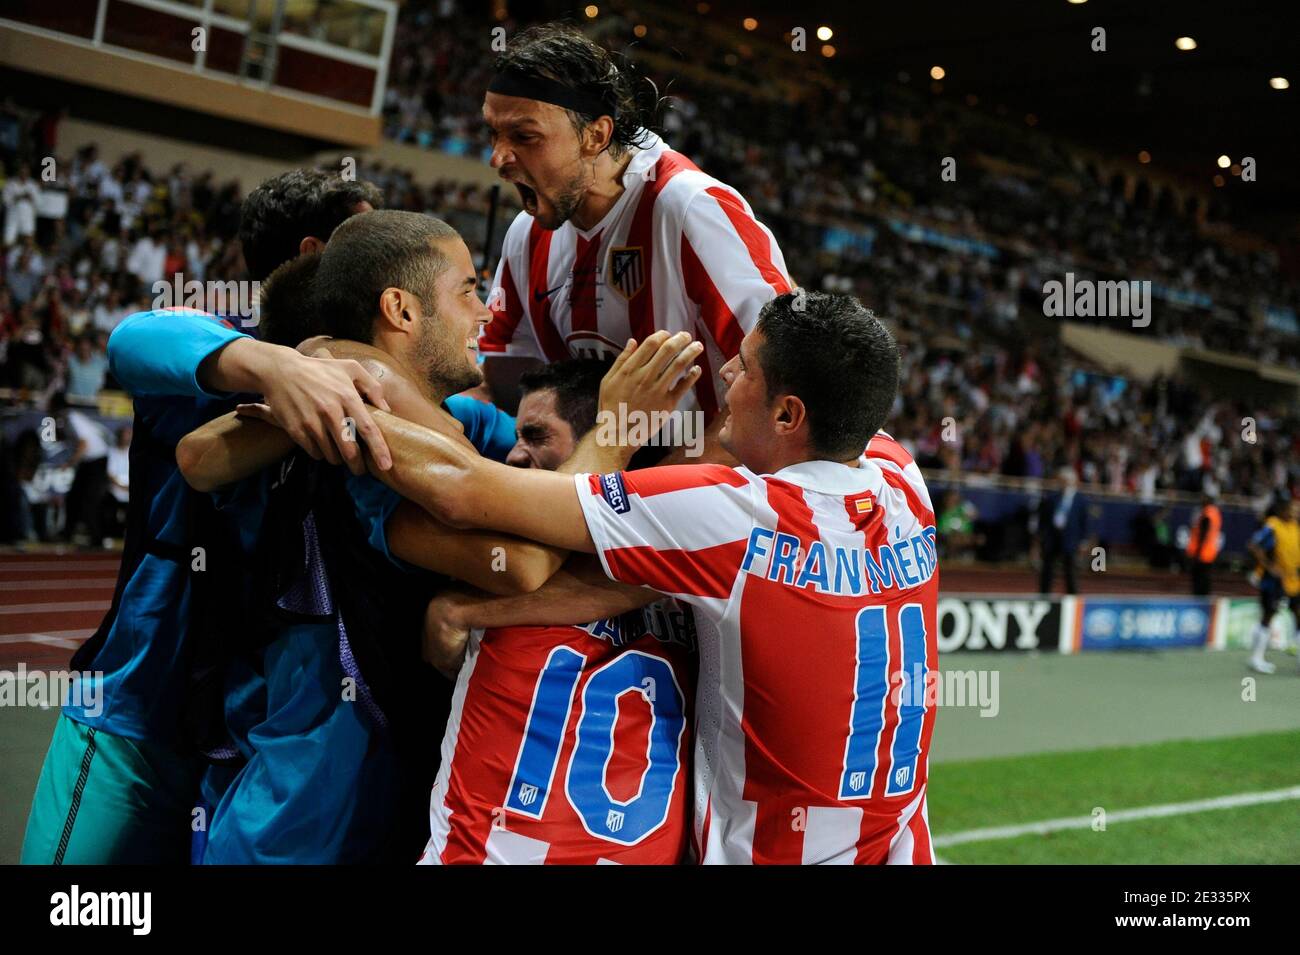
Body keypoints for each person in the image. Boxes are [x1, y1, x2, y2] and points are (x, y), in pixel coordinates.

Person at [327, 291, 939, 865]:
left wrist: (328, 400)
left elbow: (466, 491)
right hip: (900, 844)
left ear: (787, 412)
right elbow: (842, 389)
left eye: (745, 367)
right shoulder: (902, 478)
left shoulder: (732, 514)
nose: (726, 375)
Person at [175, 210, 699, 863]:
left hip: (392, 796)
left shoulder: (467, 423)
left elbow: (530, 472)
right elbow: (526, 561)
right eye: (469, 290)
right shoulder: (351, 451)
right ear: (400, 309)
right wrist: (617, 433)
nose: (485, 312)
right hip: (301, 811)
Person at [20, 169, 399, 865]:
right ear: (315, 253)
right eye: (367, 245)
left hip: (241, 737)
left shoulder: (369, 379)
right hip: (137, 714)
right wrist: (273, 367)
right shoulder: (214, 353)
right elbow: (133, 337)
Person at [413, 360, 696, 864]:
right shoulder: (698, 563)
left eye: (537, 435)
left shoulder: (489, 569)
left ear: (601, 445)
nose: (515, 454)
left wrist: (461, 609)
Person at [478, 22, 793, 462]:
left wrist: (646, 497)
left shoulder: (690, 208)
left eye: (524, 137)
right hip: (600, 471)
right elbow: (502, 366)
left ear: (596, 135)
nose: (497, 158)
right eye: (493, 133)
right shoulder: (526, 233)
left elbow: (785, 379)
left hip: (701, 482)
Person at [1245, 498, 1300, 675]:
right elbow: (1254, 546)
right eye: (1291, 508)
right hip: (1273, 581)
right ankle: (1256, 658)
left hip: (1293, 579)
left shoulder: (1294, 527)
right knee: (1268, 615)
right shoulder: (1273, 526)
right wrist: (1269, 566)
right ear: (1282, 510)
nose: (1294, 512)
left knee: (1298, 614)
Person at [1036, 467, 1088, 595]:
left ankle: (1073, 596)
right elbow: (1044, 518)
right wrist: (1041, 535)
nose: (1063, 484)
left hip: (1070, 538)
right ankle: (1044, 594)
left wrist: (1083, 541)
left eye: (1065, 481)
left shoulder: (1081, 500)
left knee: (1070, 569)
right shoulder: (1052, 498)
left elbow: (1085, 522)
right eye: (1061, 481)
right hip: (1052, 537)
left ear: (1072, 482)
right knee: (1048, 568)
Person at [1185, 492, 1222, 596]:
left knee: (1199, 582)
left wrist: (1197, 553)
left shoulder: (1207, 514)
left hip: (1202, 553)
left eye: (1203, 498)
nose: (1201, 501)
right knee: (1205, 580)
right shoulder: (1215, 513)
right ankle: (1204, 600)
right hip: (1210, 552)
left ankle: (1200, 603)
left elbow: (1203, 534)